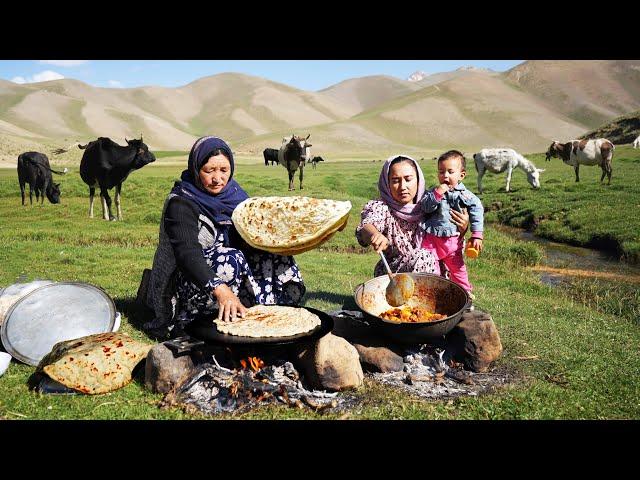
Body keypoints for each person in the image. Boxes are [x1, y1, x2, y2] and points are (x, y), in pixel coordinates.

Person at [143, 135, 305, 338]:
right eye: (209, 170)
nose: (217, 178)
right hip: (187, 281)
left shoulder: (236, 195)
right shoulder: (182, 203)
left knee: (274, 254)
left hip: (226, 278)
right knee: (231, 259)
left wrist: (293, 239)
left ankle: (272, 314)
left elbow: (256, 233)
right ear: (195, 168)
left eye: (224, 170)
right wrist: (220, 290)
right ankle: (197, 321)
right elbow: (187, 255)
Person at [356, 154, 469, 277]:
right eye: (395, 181)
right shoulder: (381, 207)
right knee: (424, 256)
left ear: (418, 180)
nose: (402, 187)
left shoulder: (432, 203)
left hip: (433, 273)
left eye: (408, 179)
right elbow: (367, 226)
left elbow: (449, 241)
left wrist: (462, 229)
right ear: (387, 183)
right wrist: (375, 234)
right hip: (392, 274)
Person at [420, 150, 484, 294]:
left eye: (450, 171)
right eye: (441, 172)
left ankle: (465, 296)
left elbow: (477, 209)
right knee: (431, 270)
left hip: (452, 244)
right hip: (432, 241)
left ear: (461, 175)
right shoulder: (433, 192)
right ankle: (434, 295)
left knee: (459, 271)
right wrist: (437, 194)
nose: (445, 176)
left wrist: (476, 234)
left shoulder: (464, 195)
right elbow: (425, 207)